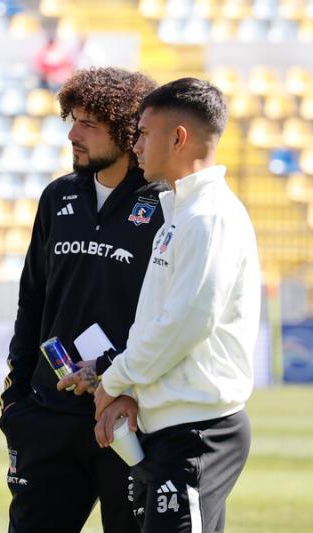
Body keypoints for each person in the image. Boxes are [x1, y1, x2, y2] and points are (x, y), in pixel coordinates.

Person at [0, 67, 166, 533]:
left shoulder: (163, 204)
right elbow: (31, 300)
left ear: (129, 130)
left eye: (89, 124)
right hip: (48, 417)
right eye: (72, 119)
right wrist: (16, 400)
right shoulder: (58, 197)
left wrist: (123, 383)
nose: (73, 133)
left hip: (127, 417)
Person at [93, 78, 261, 533]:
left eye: (145, 133)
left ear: (179, 137)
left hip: (199, 432)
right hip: (173, 430)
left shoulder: (210, 217)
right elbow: (160, 321)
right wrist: (131, 391)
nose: (137, 145)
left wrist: (117, 377)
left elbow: (188, 321)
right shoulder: (182, 214)